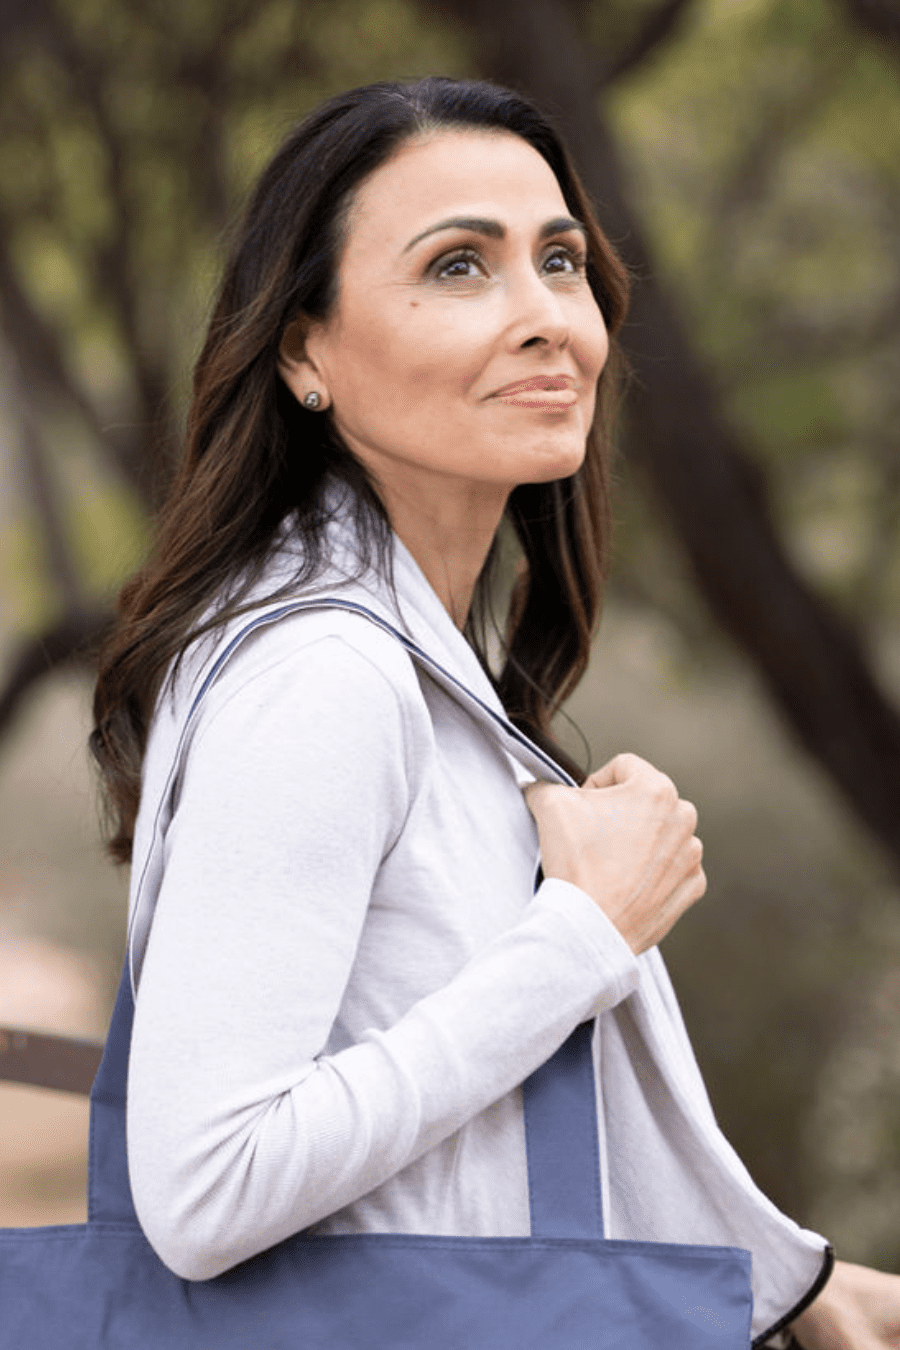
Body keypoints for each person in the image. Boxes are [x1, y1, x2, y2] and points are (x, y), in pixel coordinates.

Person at [90, 76, 900, 1348]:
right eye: (459, 266)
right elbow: (206, 1188)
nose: (544, 319)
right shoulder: (325, 674)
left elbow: (467, 1157)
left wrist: (787, 1284)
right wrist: (580, 934)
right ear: (304, 349)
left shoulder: (419, 654)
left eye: (560, 260)